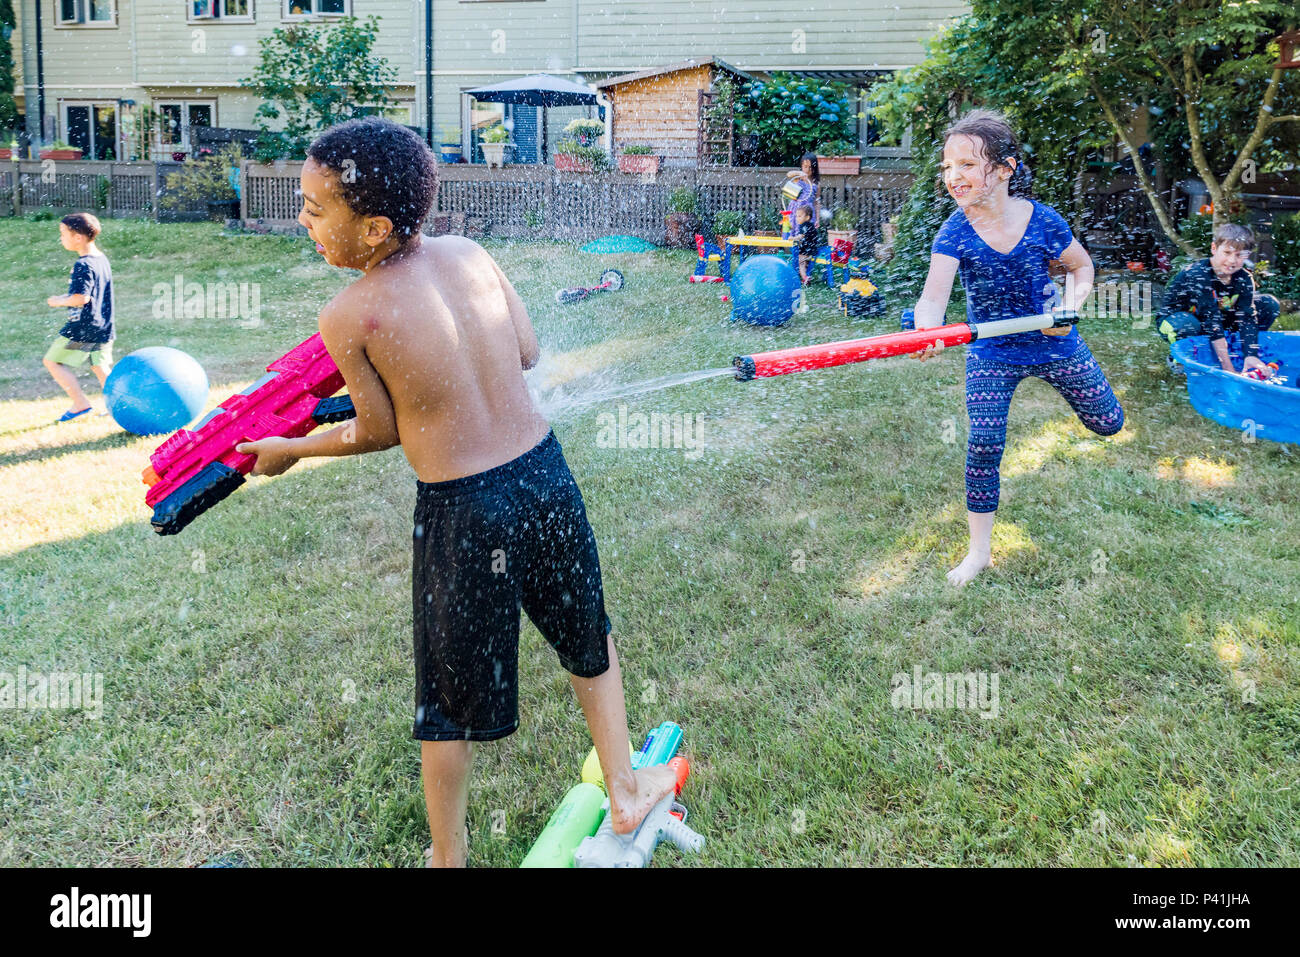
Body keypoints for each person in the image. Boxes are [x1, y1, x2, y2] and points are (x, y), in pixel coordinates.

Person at [232, 118, 677, 867]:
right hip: (545, 476)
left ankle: (448, 857)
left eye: (313, 209)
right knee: (585, 632)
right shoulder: (471, 253)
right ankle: (625, 786)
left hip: (465, 511)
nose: (300, 219)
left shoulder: (348, 314)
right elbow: (528, 352)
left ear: (372, 229)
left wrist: (292, 449)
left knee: (446, 695)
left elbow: (375, 431)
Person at [912, 110, 1124, 587]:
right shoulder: (954, 232)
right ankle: (979, 551)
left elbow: (1082, 269)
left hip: (1056, 343)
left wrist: (1070, 308)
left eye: (967, 165)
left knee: (1109, 424)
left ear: (1005, 169)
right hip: (992, 353)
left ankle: (1097, 407)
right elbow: (932, 299)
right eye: (947, 167)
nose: (954, 176)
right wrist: (927, 331)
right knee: (983, 444)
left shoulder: (1043, 220)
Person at [1157, 223, 1280, 376]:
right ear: (1214, 248)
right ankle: (1181, 358)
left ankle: (1239, 351)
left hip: (1215, 319)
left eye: (1239, 255)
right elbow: (1211, 319)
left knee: (1268, 304)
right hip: (1177, 320)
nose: (1232, 260)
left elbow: (1247, 317)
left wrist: (1251, 354)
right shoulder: (1198, 274)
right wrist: (1227, 368)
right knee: (1188, 324)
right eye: (1227, 252)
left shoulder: (1244, 278)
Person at [43, 213, 114, 423]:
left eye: (63, 234)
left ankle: (80, 404)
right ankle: (117, 406)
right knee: (100, 367)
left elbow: (81, 298)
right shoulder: (101, 259)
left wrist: (58, 301)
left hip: (83, 329)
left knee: (52, 361)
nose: (61, 238)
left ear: (78, 238)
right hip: (103, 324)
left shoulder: (83, 265)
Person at [792, 204, 819, 285]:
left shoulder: (804, 225)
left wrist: (793, 238)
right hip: (812, 249)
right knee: (805, 263)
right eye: (796, 216)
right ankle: (807, 276)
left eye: (799, 216)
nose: (797, 218)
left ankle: (805, 278)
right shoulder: (811, 225)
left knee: (801, 263)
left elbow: (801, 236)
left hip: (806, 250)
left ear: (807, 217)